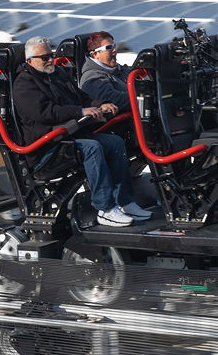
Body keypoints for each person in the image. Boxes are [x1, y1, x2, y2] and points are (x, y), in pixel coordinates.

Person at [12, 36, 151, 227]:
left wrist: (100, 105)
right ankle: (105, 208)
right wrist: (80, 112)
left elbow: (81, 98)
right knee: (92, 147)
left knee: (114, 142)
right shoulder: (24, 84)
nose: (50, 60)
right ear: (30, 61)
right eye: (44, 58)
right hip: (46, 146)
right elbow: (45, 113)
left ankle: (125, 201)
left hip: (68, 137)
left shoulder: (57, 75)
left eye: (50, 55)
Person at [78, 31, 131, 112]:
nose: (114, 50)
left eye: (114, 46)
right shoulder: (92, 77)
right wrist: (139, 97)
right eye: (109, 47)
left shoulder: (121, 70)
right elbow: (112, 99)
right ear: (95, 54)